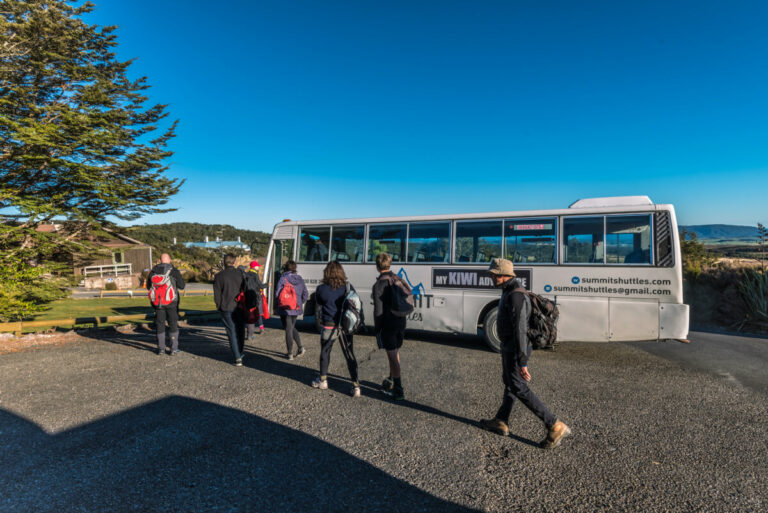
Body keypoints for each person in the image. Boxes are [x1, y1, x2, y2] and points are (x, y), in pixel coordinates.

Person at [479, 258, 571, 449]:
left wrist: (522, 361)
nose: (490, 277)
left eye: (493, 274)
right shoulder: (509, 291)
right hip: (510, 346)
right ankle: (501, 420)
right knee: (510, 383)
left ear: (502, 275)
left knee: (519, 387)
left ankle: (554, 424)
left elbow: (520, 329)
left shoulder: (516, 296)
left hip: (516, 347)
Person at [311, 261, 360, 397]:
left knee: (325, 352)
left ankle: (323, 380)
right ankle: (356, 386)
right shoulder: (348, 287)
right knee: (349, 354)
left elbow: (319, 306)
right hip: (345, 326)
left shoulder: (321, 289)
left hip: (329, 324)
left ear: (326, 272)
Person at [372, 252, 407, 401]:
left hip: (388, 324)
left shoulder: (379, 284)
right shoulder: (398, 279)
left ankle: (398, 390)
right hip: (401, 321)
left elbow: (378, 311)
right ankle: (392, 379)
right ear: (389, 264)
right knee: (395, 352)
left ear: (377, 266)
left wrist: (377, 328)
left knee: (392, 356)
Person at [146, 253, 185, 355]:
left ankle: (161, 348)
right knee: (173, 324)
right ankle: (173, 348)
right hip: (172, 302)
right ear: (169, 259)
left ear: (160, 260)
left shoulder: (153, 271)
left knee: (160, 324)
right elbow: (182, 286)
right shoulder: (173, 271)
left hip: (158, 303)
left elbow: (148, 286)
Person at [214, 253, 246, 366]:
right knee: (241, 330)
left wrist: (219, 306)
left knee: (231, 332)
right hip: (240, 307)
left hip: (226, 307)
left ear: (224, 262)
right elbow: (245, 290)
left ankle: (237, 357)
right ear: (235, 262)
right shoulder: (241, 274)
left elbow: (217, 295)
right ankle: (240, 351)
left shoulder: (219, 276)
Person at [274, 260, 308, 360]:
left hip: (285, 308)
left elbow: (277, 293)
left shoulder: (283, 278)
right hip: (296, 308)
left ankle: (290, 353)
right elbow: (305, 294)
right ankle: (301, 348)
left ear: (285, 268)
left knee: (288, 329)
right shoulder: (300, 279)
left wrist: (278, 305)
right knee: (291, 327)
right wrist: (299, 303)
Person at [242, 261, 267, 340]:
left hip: (247, 296)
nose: (258, 267)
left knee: (249, 313)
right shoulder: (255, 275)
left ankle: (249, 333)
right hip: (255, 296)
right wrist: (267, 284)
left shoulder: (246, 274)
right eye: (257, 266)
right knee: (257, 312)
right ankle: (260, 328)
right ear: (254, 267)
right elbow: (260, 286)